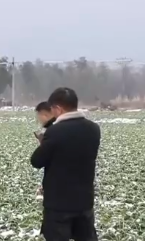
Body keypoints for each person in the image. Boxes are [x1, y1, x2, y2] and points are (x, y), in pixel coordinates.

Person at [30, 87, 101, 241]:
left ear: (57, 108)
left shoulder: (55, 132)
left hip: (58, 204)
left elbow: (36, 161)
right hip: (84, 201)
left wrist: (43, 143)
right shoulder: (94, 129)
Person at [33, 101, 55, 197]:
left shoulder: (53, 131)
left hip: (56, 187)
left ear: (44, 114)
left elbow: (37, 160)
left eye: (39, 116)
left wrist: (43, 143)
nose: (39, 120)